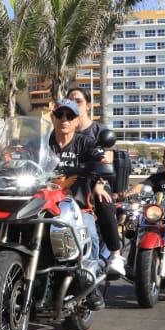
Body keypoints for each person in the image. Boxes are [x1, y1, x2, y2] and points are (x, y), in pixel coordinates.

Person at [50, 99, 124, 277]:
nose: (64, 119)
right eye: (60, 115)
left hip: (78, 207)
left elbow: (99, 155)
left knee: (89, 234)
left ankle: (90, 285)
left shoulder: (86, 143)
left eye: (70, 116)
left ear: (77, 120)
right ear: (53, 117)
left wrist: (102, 162)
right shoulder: (42, 142)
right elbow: (26, 155)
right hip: (45, 206)